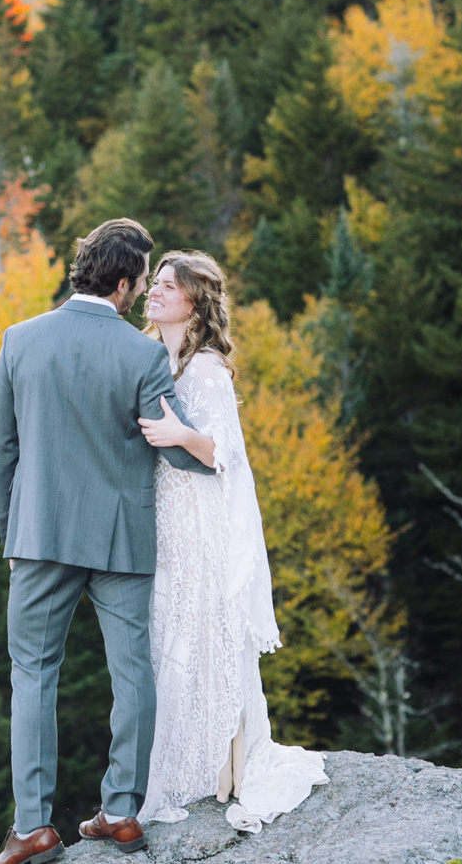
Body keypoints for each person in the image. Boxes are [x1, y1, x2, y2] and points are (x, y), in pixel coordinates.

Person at [0, 219, 215, 864]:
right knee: (132, 673)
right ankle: (119, 812)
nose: (143, 292)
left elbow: (2, 448)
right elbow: (181, 451)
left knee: (33, 675)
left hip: (39, 536)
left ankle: (33, 827)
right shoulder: (142, 355)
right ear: (122, 284)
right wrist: (207, 447)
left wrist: (12, 532)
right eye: (141, 281)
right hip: (121, 538)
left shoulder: (20, 339)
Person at [137, 250, 329, 832]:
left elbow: (224, 453)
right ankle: (187, 764)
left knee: (202, 631)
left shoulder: (206, 369)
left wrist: (179, 433)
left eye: (168, 286)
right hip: (165, 516)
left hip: (202, 521)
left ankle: (222, 767)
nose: (154, 292)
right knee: (169, 634)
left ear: (195, 301)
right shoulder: (156, 357)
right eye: (155, 283)